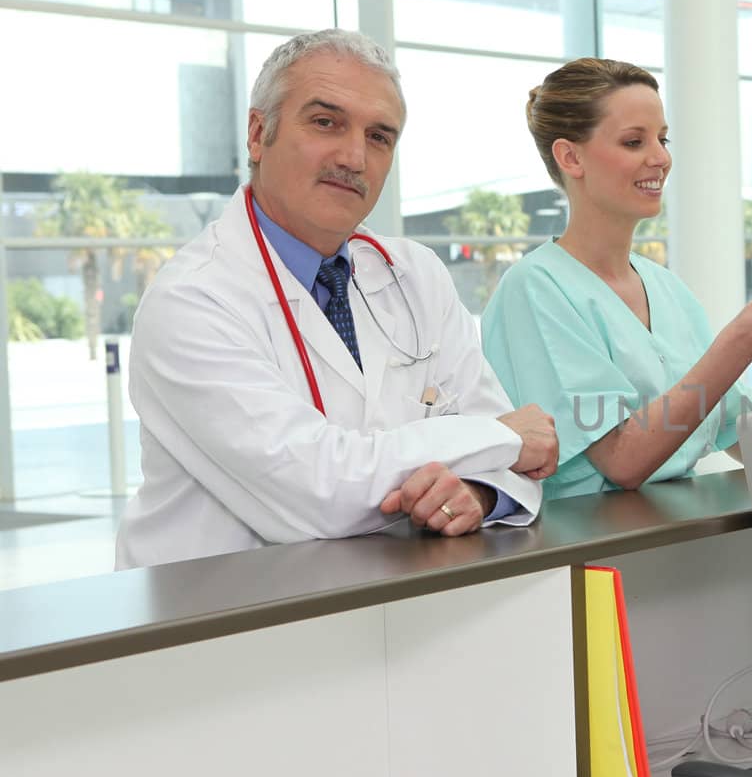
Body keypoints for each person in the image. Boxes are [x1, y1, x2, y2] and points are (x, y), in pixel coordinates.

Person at [116, 29, 558, 569]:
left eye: (379, 137)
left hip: (391, 604)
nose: (354, 157)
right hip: (222, 624)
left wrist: (478, 493)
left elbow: (520, 465)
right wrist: (495, 438)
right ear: (259, 134)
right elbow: (321, 493)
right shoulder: (192, 302)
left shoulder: (415, 274)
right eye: (326, 122)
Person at [481, 57, 752, 499]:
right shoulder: (534, 290)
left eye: (662, 139)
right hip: (591, 556)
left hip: (683, 541)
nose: (661, 158)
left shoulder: (664, 287)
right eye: (633, 141)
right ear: (570, 157)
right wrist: (742, 340)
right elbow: (623, 460)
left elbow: (744, 431)